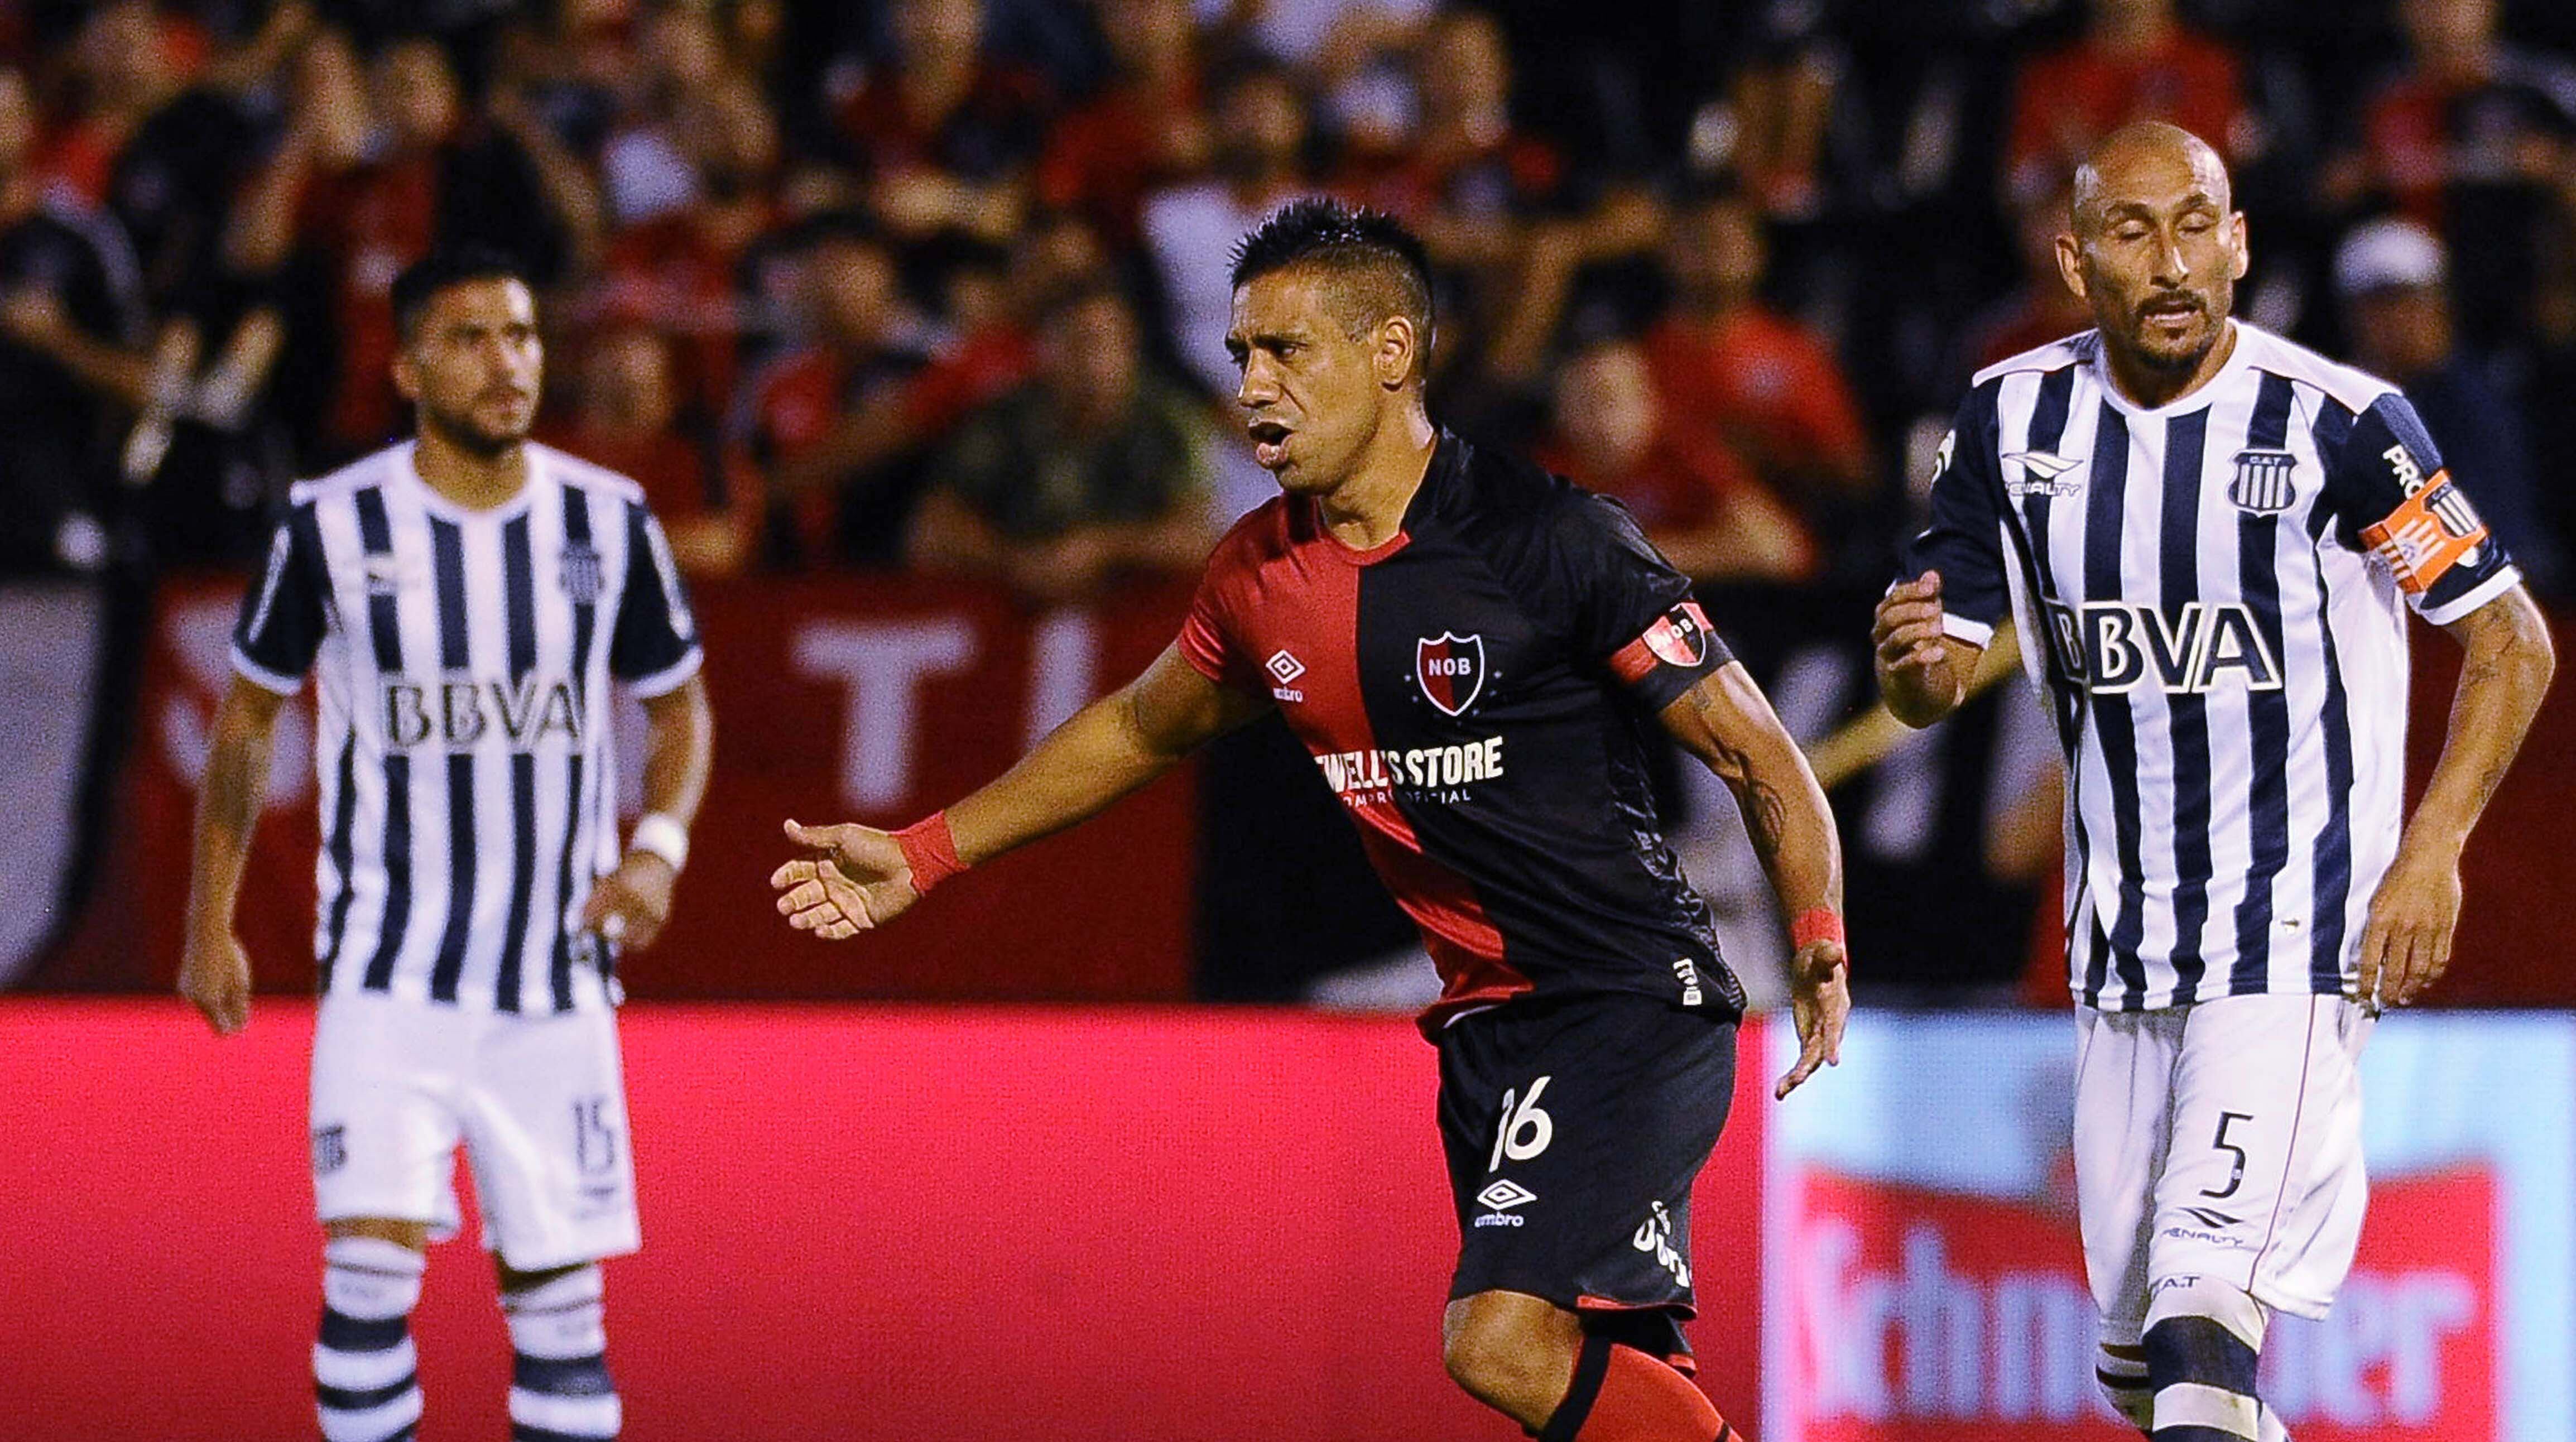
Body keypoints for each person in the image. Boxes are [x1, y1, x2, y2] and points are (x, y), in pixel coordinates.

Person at [773, 197, 1849, 1442]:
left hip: (1622, 998)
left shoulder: (1548, 538)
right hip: (1485, 1028)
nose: (1254, 387)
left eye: (1288, 351)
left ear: (1390, 353)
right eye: (1240, 356)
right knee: (1571, 1370)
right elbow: (1137, 727)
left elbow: (1759, 752)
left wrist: (1814, 924)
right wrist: (923, 850)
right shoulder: (1256, 574)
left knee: (1494, 1340)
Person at [1873, 123, 2555, 1442]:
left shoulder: (2342, 428)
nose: (2171, 259)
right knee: (2143, 1375)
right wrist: (1908, 667)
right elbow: (1932, 675)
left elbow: (2509, 637)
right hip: (2119, 955)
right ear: (2074, 260)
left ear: (2238, 243)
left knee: (2199, 1328)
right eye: (2130, 231)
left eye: (2197, 224)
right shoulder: (2008, 419)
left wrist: (2432, 850)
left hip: (2293, 942)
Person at [177, 248, 714, 1442]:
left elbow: (679, 705)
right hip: (390, 968)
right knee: (368, 1281)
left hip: (556, 977)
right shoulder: (333, 521)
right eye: (471, 339)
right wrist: (207, 920)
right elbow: (249, 718)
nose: (507, 361)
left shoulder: (606, 519)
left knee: (563, 1312)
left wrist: (658, 847)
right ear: (411, 367)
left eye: (521, 335)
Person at [907, 280, 1219, 602]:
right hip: (1012, 612)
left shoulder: (1167, 423)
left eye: (1109, 344)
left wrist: (1104, 549)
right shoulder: (1005, 419)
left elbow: (1199, 538)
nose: (1094, 363)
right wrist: (1016, 561)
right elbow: (933, 531)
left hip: (1135, 617)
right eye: (1078, 344)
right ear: (1046, 350)